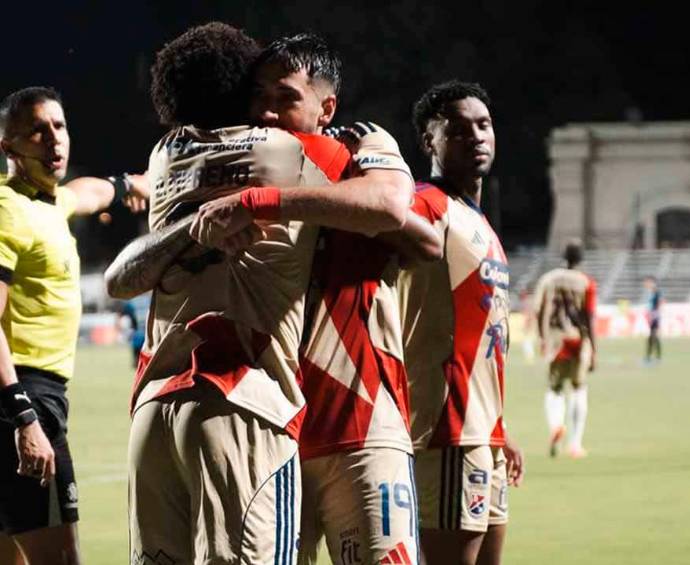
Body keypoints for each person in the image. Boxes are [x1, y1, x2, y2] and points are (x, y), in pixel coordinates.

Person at [104, 24, 433, 564]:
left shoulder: (170, 157)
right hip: (257, 405)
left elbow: (417, 233)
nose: (268, 112)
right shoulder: (304, 154)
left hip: (335, 411)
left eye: (284, 98)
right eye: (257, 96)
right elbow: (401, 216)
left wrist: (251, 204)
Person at [0, 87, 147, 565]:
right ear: (10, 148)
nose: (53, 140)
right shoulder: (7, 210)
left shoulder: (49, 202)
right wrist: (23, 417)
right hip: (23, 397)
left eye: (59, 127)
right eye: (38, 131)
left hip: (28, 398)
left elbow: (87, 193)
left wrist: (128, 184)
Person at [397, 80, 524, 565]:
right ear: (430, 141)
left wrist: (501, 426)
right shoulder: (424, 203)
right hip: (447, 430)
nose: (477, 135)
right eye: (459, 128)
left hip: (483, 430)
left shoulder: (480, 223)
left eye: (484, 124)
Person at [534, 239, 596, 459]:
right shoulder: (585, 282)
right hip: (578, 340)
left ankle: (556, 425)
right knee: (579, 388)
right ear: (580, 259)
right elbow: (588, 316)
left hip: (555, 340)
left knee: (554, 388)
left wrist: (542, 338)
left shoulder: (548, 279)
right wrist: (593, 348)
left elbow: (539, 309)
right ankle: (575, 444)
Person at [643, 275, 662, 365]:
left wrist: (654, 315)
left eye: (647, 282)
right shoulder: (650, 292)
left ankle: (655, 356)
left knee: (653, 336)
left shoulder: (655, 292)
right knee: (652, 337)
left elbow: (658, 305)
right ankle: (651, 356)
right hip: (652, 317)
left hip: (655, 317)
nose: (645, 284)